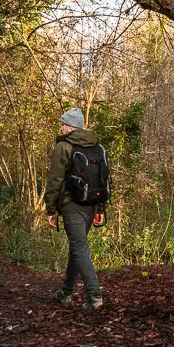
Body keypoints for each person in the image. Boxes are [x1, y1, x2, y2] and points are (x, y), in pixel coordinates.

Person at [44, 108, 105, 310]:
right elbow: (104, 180)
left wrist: (50, 209)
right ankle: (66, 292)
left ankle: (94, 297)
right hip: (92, 204)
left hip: (72, 205)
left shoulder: (64, 146)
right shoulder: (96, 146)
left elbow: (55, 180)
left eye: (63, 124)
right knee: (76, 249)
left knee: (80, 249)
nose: (60, 127)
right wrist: (101, 209)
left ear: (70, 127)